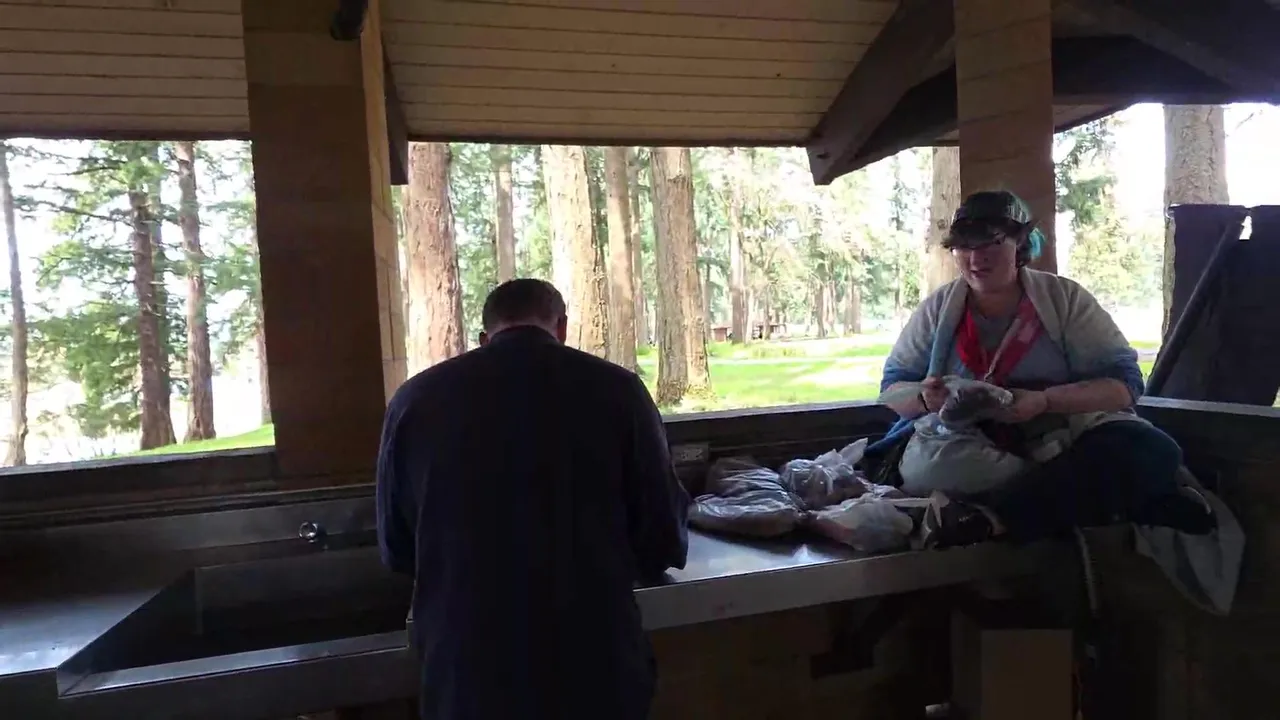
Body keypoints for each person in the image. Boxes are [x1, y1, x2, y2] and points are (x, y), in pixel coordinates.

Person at [376, 278, 690, 720]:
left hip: (467, 667)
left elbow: (396, 548)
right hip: (593, 664)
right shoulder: (620, 391)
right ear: (561, 328)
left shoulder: (414, 399)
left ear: (484, 338)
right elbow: (662, 538)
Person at [873, 190, 1214, 547]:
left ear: (1020, 243)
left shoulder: (1064, 299)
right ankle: (1092, 499)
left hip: (1059, 434)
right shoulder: (937, 309)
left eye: (991, 243)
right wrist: (925, 400)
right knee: (931, 469)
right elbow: (893, 386)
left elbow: (1125, 385)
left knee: (1153, 450)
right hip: (965, 443)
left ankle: (991, 519)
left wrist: (1045, 401)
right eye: (964, 247)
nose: (975, 258)